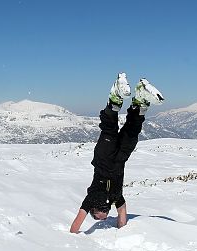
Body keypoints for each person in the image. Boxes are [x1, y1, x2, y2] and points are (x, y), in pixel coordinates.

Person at [70, 73, 164, 234]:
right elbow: (122, 211)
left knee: (109, 130)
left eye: (99, 218)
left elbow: (74, 228)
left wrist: (79, 232)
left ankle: (115, 97)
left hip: (103, 159)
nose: (104, 218)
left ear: (93, 211)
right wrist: (121, 228)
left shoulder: (91, 198)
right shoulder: (115, 198)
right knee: (132, 133)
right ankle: (140, 100)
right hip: (120, 159)